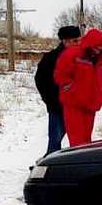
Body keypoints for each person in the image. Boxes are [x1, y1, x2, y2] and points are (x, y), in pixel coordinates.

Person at [54, 28, 102, 147]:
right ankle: (77, 164)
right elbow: (60, 76)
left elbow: (99, 81)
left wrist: (100, 95)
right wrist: (73, 91)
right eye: (97, 46)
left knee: (86, 142)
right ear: (90, 44)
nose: (99, 50)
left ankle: (85, 164)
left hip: (90, 105)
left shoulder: (98, 60)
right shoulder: (71, 54)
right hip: (74, 105)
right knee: (77, 142)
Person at [35, 25, 82, 154]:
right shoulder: (51, 58)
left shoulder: (81, 57)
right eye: (75, 41)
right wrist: (52, 102)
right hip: (58, 108)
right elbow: (40, 81)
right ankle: (47, 168)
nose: (79, 43)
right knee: (54, 143)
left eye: (79, 40)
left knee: (80, 144)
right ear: (65, 41)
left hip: (76, 108)